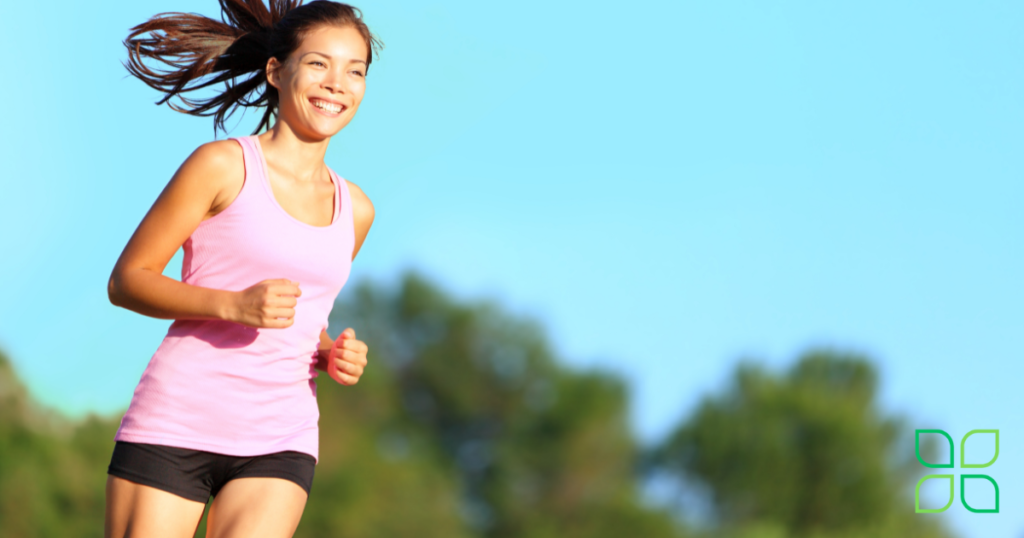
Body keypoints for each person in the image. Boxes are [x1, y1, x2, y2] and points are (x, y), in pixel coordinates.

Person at [104, 1, 382, 536]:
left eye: (355, 71)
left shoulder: (357, 209)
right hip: (178, 421)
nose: (336, 84)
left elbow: (299, 319)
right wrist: (232, 305)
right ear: (277, 71)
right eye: (319, 64)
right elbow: (127, 279)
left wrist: (329, 351)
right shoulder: (223, 166)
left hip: (282, 436)